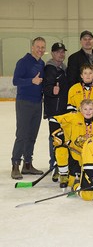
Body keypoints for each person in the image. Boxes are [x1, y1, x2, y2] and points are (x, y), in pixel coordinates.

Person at [11, 37, 46, 180]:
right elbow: (15, 81)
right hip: (24, 102)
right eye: (38, 47)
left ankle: (27, 164)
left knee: (32, 135)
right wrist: (31, 81)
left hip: (38, 103)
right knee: (22, 134)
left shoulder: (42, 63)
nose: (40, 50)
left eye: (43, 47)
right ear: (32, 47)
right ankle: (15, 165)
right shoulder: (23, 62)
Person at [49, 99, 93, 188]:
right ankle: (63, 174)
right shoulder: (73, 117)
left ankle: (66, 171)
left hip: (86, 156)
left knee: (80, 181)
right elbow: (53, 119)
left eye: (90, 109)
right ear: (80, 109)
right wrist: (59, 135)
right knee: (61, 149)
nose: (88, 112)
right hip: (72, 152)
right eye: (85, 109)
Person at [43, 42, 69, 180]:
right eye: (58, 52)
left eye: (63, 52)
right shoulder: (50, 69)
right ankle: (54, 165)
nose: (61, 54)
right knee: (54, 138)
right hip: (55, 110)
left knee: (62, 138)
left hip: (63, 110)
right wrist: (52, 90)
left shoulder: (63, 68)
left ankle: (61, 165)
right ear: (52, 53)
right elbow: (45, 88)